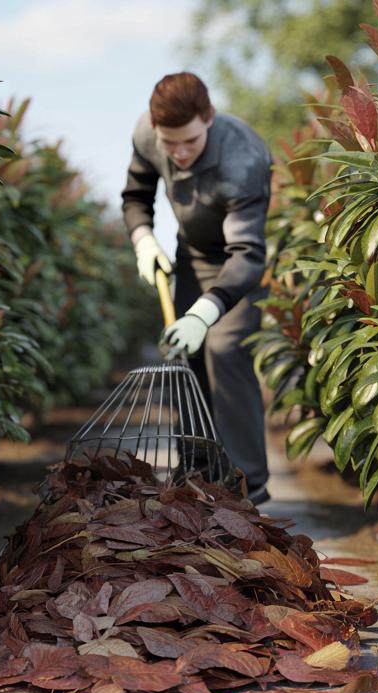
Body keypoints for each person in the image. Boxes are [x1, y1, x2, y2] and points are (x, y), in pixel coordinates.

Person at [121, 71, 271, 504]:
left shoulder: (243, 160)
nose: (180, 153)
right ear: (155, 129)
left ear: (209, 118)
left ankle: (248, 489)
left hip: (235, 264)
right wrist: (143, 239)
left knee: (224, 351)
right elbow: (136, 196)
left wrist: (204, 313)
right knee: (183, 360)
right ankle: (197, 480)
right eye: (171, 144)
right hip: (191, 255)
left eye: (191, 141)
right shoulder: (147, 137)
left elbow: (247, 254)